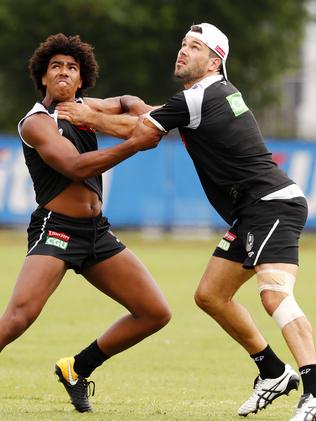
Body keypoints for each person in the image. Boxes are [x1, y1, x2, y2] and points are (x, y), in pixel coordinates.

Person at [63, 23, 316, 421]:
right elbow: (138, 110)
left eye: (194, 47)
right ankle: (272, 371)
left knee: (274, 294)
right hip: (252, 210)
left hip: (272, 205)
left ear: (215, 61)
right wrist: (83, 105)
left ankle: (313, 394)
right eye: (183, 43)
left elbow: (140, 132)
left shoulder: (202, 95)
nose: (183, 51)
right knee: (211, 295)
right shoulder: (203, 97)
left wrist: (83, 115)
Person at [0, 33, 171, 413]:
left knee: (155, 313)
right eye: (56, 67)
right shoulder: (36, 123)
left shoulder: (84, 107)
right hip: (57, 228)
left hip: (97, 232)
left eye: (72, 68)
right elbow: (75, 166)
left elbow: (125, 102)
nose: (64, 72)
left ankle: (76, 369)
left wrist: (138, 107)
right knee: (17, 318)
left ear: (81, 80)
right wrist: (132, 143)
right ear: (42, 77)